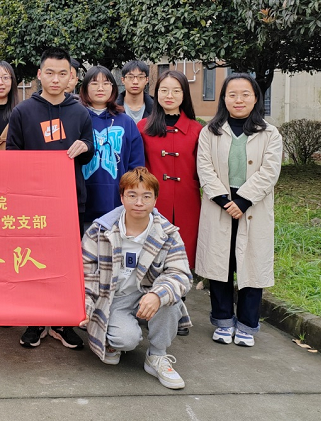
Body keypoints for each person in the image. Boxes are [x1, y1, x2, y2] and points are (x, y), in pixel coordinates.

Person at [6, 47, 94, 350]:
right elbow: (12, 156)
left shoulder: (80, 112)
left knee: (65, 263)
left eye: (62, 73)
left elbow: (90, 149)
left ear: (71, 77)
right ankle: (35, 319)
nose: (56, 79)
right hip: (33, 202)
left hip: (70, 200)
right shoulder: (23, 112)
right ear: (39, 75)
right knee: (33, 261)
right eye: (50, 73)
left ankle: (61, 321)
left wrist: (85, 147)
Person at [81, 167, 191, 390]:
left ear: (155, 200)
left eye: (146, 196)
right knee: (126, 340)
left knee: (171, 299)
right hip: (115, 298)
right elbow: (86, 275)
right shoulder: (99, 231)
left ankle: (157, 355)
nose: (139, 202)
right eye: (132, 195)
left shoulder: (168, 233)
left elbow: (180, 274)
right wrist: (85, 309)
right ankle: (114, 341)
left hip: (147, 294)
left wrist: (157, 295)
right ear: (122, 197)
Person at [196, 73, 282, 348]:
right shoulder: (210, 131)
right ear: (224, 99)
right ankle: (223, 320)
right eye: (232, 94)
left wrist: (243, 201)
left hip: (253, 206)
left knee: (251, 265)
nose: (239, 100)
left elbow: (270, 172)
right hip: (219, 205)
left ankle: (246, 325)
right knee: (220, 265)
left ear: (256, 98)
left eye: (245, 94)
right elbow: (204, 168)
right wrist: (224, 200)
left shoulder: (270, 133)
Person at [138, 70, 202, 269]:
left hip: (188, 201)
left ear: (184, 95)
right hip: (152, 201)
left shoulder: (197, 130)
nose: (169, 95)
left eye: (176, 91)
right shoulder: (143, 127)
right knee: (151, 255)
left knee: (184, 254)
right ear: (156, 93)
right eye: (164, 90)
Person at [79, 65, 145, 227]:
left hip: (116, 202)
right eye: (94, 83)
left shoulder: (126, 122)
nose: (100, 88)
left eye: (106, 83)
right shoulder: (76, 118)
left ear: (113, 88)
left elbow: (136, 166)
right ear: (85, 88)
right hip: (81, 202)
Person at [117, 61, 154, 125]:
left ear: (147, 80)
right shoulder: (111, 107)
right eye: (130, 77)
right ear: (123, 80)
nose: (135, 82)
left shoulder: (156, 108)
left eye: (140, 77)